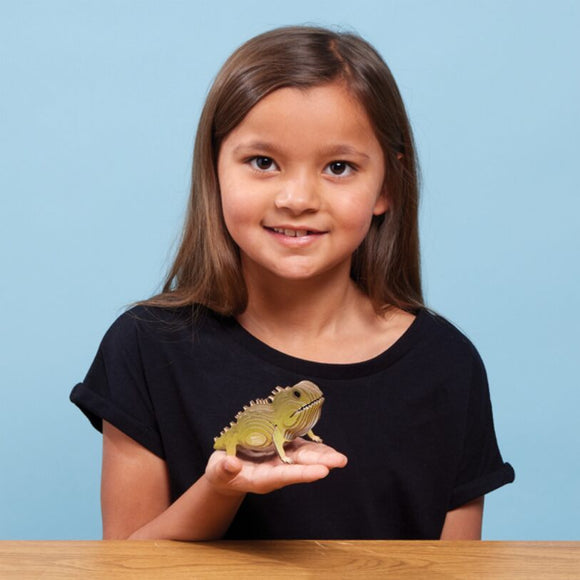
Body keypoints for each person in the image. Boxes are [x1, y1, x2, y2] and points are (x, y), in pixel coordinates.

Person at [70, 25, 514, 541]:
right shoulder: (144, 348)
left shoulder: (447, 366)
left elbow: (457, 569)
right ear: (214, 171)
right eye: (263, 162)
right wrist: (222, 487)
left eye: (339, 167)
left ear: (387, 185)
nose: (297, 198)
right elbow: (123, 570)